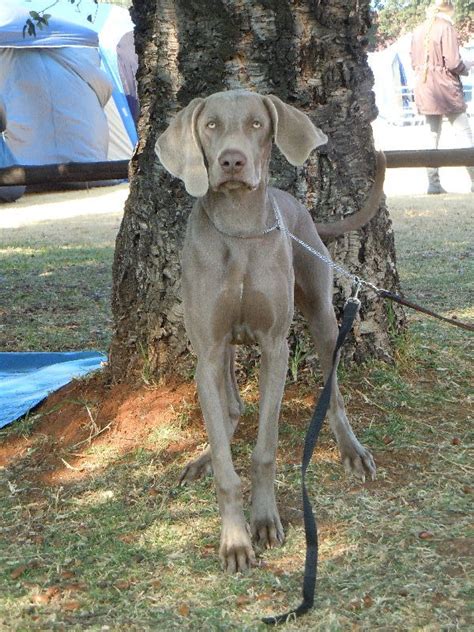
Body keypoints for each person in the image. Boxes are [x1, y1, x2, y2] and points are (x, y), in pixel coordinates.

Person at [411, 0, 473, 194]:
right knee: (463, 134)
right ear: (449, 10)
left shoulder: (418, 30)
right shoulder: (446, 28)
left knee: (431, 137)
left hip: (424, 86)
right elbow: (453, 62)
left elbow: (413, 61)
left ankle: (433, 183)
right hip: (446, 88)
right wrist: (467, 66)